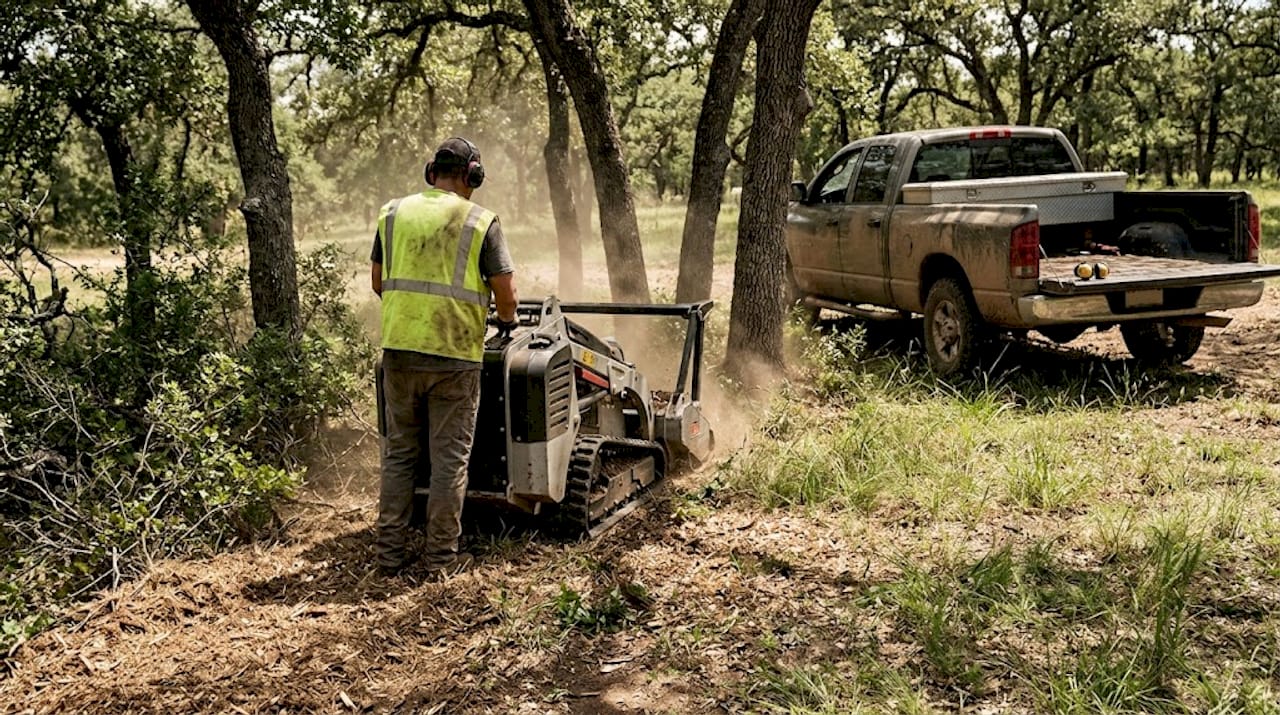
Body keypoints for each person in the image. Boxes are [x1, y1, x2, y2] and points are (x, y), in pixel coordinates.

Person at [371, 137, 518, 578]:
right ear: (473, 176)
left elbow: (379, 282)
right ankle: (440, 561)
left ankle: (389, 557)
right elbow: (506, 296)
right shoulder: (480, 221)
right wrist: (502, 318)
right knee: (449, 461)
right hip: (454, 358)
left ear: (431, 171)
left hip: (398, 352)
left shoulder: (393, 213)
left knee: (399, 455)